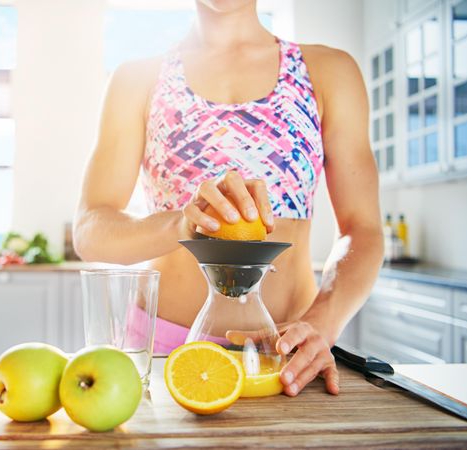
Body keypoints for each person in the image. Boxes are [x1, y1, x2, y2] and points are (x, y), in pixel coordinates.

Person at [74, 0, 383, 397]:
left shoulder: (329, 72)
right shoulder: (137, 78)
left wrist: (322, 322)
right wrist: (182, 224)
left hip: (289, 355)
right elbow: (90, 231)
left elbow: (364, 230)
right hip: (166, 354)